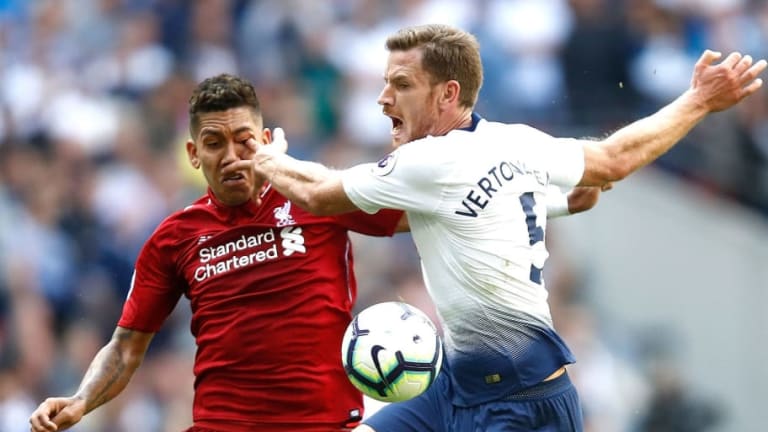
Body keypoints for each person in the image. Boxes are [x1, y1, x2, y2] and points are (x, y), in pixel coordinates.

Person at [244, 24, 766, 432]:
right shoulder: (517, 140)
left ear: (447, 94)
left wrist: (265, 157)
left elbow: (318, 194)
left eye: (401, 85)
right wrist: (562, 203)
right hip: (459, 386)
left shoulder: (428, 162)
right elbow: (606, 164)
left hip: (520, 404)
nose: (383, 98)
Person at [27, 74, 412, 432]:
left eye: (243, 140)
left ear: (265, 141)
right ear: (194, 153)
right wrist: (81, 400)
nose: (231, 156)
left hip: (323, 424)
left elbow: (418, 216)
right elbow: (126, 348)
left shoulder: (317, 197)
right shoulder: (174, 238)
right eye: (214, 144)